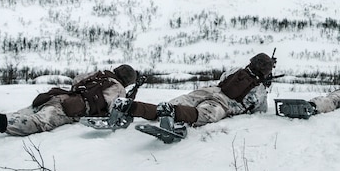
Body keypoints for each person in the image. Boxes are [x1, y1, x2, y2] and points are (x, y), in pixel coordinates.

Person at [108, 53, 276, 130]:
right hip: (222, 103)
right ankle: (172, 113)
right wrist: (264, 87)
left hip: (208, 91)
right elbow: (259, 110)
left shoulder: (237, 70)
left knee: (176, 102)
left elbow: (223, 79)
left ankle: (131, 107)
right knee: (198, 114)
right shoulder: (259, 88)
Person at [0, 64, 138, 136]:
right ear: (128, 80)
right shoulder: (119, 88)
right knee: (37, 123)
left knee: (21, 114)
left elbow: (76, 81)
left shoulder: (100, 75)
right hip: (66, 109)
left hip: (56, 97)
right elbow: (113, 109)